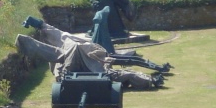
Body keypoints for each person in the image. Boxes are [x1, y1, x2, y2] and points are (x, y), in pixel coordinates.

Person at [16, 20, 162, 89]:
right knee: (126, 74)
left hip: (77, 62)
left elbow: (58, 37)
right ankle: (150, 81)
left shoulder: (72, 46)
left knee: (62, 51)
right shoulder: (77, 46)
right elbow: (58, 36)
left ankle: (25, 43)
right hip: (84, 64)